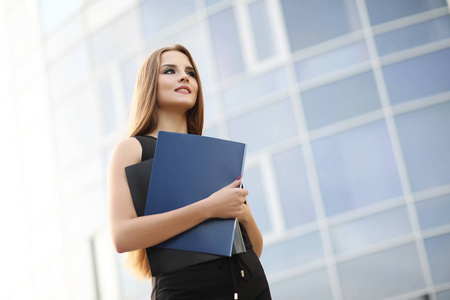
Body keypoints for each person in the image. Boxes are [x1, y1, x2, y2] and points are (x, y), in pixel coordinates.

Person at [107, 44, 271, 299]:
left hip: (250, 287)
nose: (184, 77)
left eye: (191, 73)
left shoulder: (215, 156)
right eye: (169, 71)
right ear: (150, 84)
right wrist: (209, 208)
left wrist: (245, 215)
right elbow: (122, 236)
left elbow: (253, 249)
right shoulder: (133, 149)